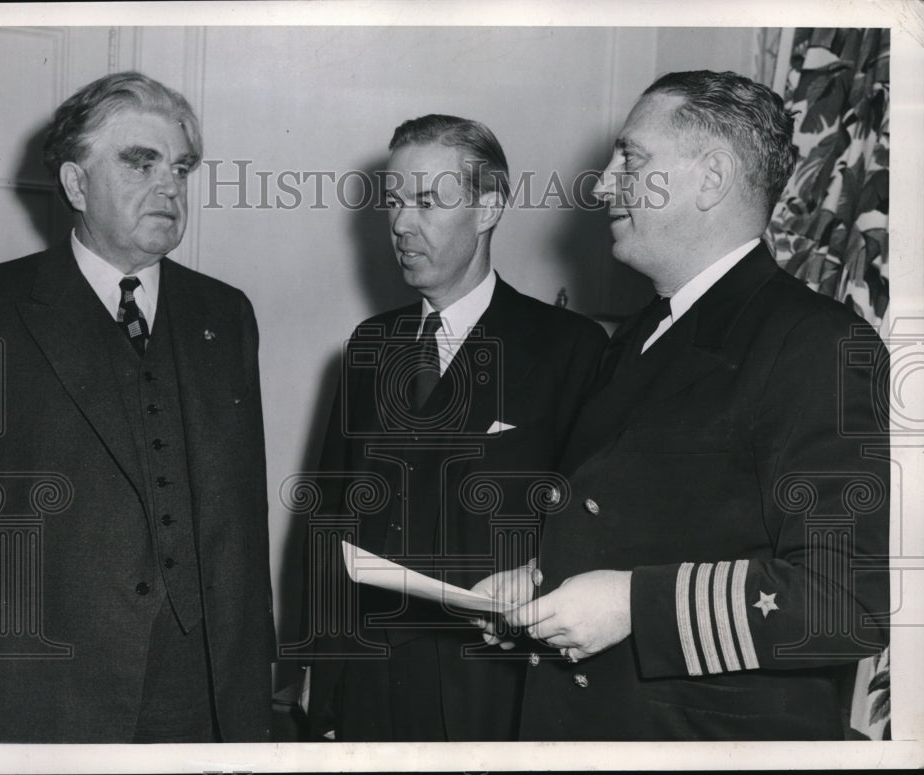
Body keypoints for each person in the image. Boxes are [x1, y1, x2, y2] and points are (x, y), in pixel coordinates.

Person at [474, 70, 890, 740]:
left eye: (630, 159)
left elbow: (849, 600)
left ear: (712, 177)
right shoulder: (641, 335)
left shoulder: (819, 343)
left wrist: (635, 605)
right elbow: (653, 524)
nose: (603, 183)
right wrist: (541, 582)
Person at [0, 71, 275, 743]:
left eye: (180, 168)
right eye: (142, 163)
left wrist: (256, 679)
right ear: (76, 183)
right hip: (46, 686)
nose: (170, 186)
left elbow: (243, 519)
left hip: (206, 687)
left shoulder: (226, 312)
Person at [302, 114, 608, 741]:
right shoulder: (371, 344)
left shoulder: (567, 348)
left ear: (488, 206)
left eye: (426, 201)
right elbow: (330, 520)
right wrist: (323, 677)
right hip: (368, 686)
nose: (401, 225)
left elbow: (589, 527)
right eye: (394, 202)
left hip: (492, 694)